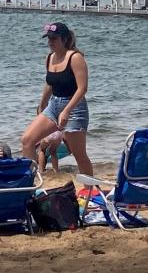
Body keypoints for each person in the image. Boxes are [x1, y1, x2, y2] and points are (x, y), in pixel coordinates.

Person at [20, 22, 93, 176]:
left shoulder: (75, 57)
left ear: (65, 39)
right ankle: (30, 186)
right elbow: (50, 83)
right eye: (48, 39)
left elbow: (82, 88)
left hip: (74, 108)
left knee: (79, 155)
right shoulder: (50, 58)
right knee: (27, 140)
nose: (50, 42)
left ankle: (90, 191)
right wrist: (42, 104)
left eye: (54, 38)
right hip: (54, 106)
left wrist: (67, 111)